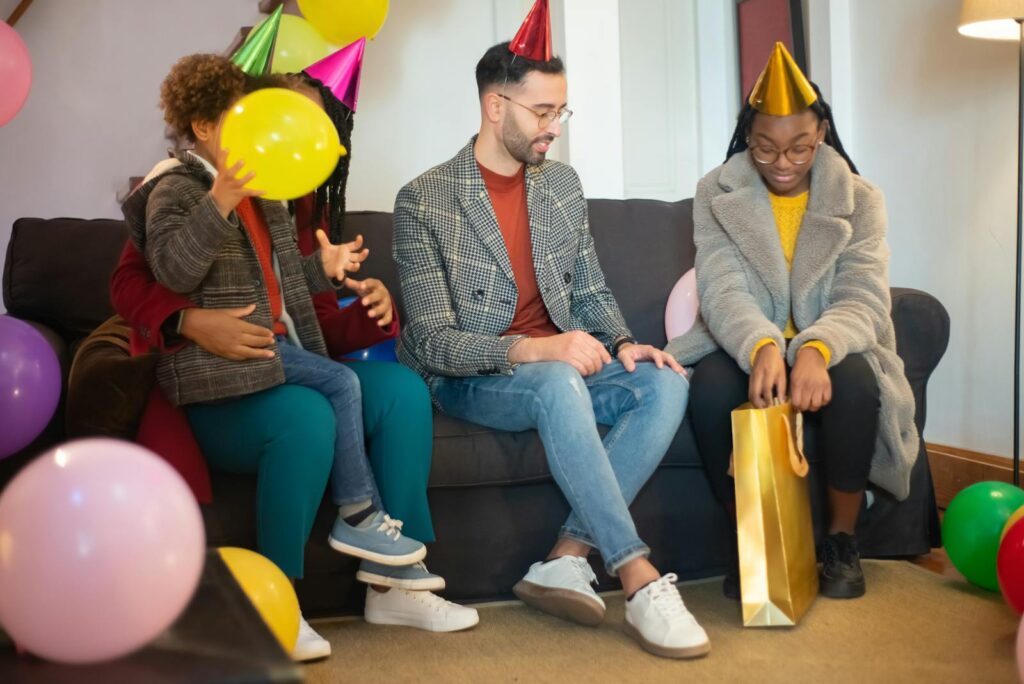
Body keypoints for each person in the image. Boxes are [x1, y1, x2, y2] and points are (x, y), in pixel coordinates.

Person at [119, 55, 475, 661]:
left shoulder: (275, 196)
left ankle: (395, 583)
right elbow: (166, 274)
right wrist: (219, 206)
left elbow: (281, 287)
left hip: (285, 360)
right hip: (222, 385)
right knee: (311, 412)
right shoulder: (175, 189)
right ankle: (277, 601)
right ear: (208, 125)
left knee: (403, 392)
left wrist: (327, 272)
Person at [392, 41, 708, 660]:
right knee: (558, 378)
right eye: (541, 112)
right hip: (480, 376)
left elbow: (588, 287)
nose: (553, 129)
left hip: (561, 367)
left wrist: (623, 344)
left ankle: (565, 558)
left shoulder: (561, 185)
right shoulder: (423, 198)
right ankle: (637, 576)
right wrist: (535, 351)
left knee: (668, 381)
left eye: (562, 112)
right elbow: (429, 340)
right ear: (494, 105)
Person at [666, 43, 919, 600]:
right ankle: (754, 540)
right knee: (709, 389)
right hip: (743, 339)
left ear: (821, 134)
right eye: (766, 149)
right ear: (746, 139)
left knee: (855, 382)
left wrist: (816, 347)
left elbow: (865, 297)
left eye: (799, 149)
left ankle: (840, 542)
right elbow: (721, 287)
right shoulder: (716, 192)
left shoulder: (860, 199)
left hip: (833, 343)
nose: (783, 163)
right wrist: (759, 345)